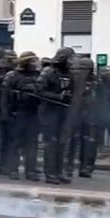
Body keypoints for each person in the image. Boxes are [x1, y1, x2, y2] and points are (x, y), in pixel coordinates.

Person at [0, 51, 41, 180]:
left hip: (32, 114)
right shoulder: (12, 76)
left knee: (32, 144)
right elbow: (4, 96)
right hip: (16, 114)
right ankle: (13, 169)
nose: (35, 64)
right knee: (14, 144)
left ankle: (31, 171)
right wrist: (5, 113)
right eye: (32, 61)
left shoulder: (37, 76)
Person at [38, 48, 75, 184]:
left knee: (62, 143)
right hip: (49, 111)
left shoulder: (69, 74)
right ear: (63, 58)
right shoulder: (48, 72)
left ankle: (60, 172)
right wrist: (57, 96)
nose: (72, 62)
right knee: (51, 143)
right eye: (70, 59)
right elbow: (39, 91)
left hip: (63, 111)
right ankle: (50, 173)